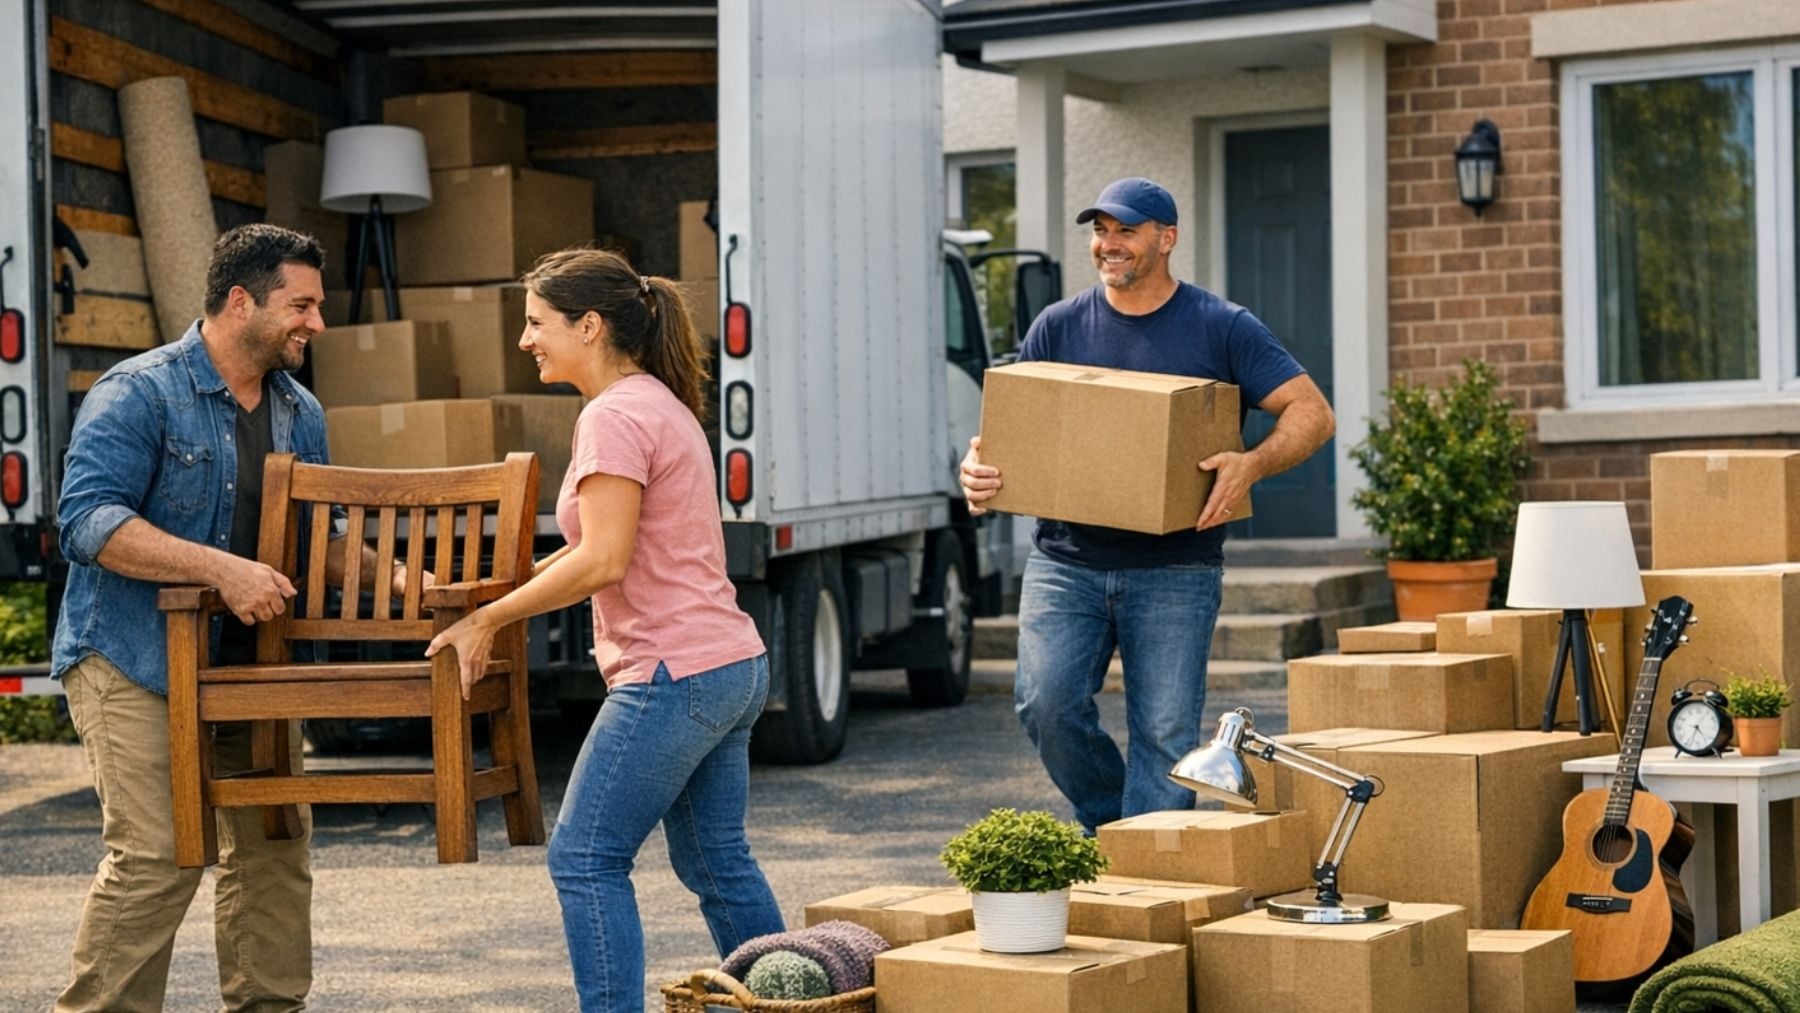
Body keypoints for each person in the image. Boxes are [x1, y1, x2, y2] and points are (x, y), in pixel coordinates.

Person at [52, 223, 413, 1012]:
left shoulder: (300, 409)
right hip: (133, 658)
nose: (317, 323)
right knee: (157, 855)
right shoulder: (138, 391)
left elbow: (325, 538)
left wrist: (413, 584)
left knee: (275, 847)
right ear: (241, 301)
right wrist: (222, 568)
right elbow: (86, 521)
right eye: (303, 305)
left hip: (252, 669)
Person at [426, 248, 783, 1012]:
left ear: (589, 326)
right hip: (726, 664)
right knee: (717, 861)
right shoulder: (659, 402)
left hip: (673, 674)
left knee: (584, 857)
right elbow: (612, 548)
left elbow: (603, 559)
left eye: (536, 322)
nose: (526, 340)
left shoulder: (613, 415)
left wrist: (490, 616)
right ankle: (793, 1001)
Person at [960, 177, 1336, 834]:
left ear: (1167, 238)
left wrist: (1251, 463)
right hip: (1066, 560)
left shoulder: (1221, 327)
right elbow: (1014, 433)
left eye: (1126, 230)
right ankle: (1115, 827)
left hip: (1176, 568)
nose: (1109, 244)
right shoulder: (1058, 325)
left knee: (1164, 734)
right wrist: (977, 469)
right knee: (1044, 705)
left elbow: (1312, 413)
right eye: (1100, 230)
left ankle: (1148, 883)